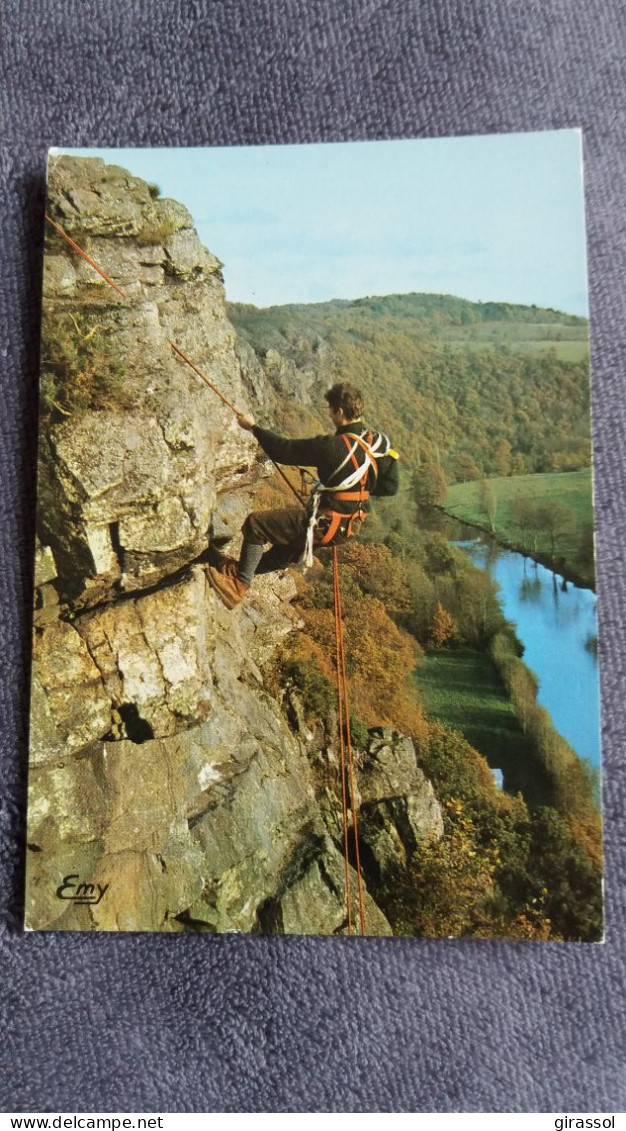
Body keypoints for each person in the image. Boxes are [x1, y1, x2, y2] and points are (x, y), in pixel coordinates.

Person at [207, 381, 399, 608]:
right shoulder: (378, 444)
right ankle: (239, 569)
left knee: (256, 525)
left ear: (339, 411)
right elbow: (390, 487)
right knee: (285, 551)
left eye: (330, 409)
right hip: (348, 527)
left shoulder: (332, 447)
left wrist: (253, 428)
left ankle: (238, 585)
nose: (328, 414)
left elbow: (283, 450)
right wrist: (349, 489)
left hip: (324, 522)